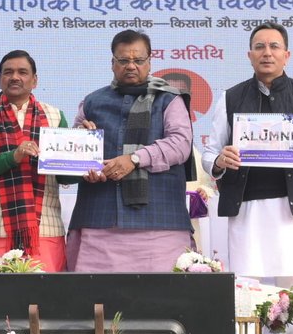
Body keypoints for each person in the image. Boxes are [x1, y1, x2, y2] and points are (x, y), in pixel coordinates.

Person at [203, 23, 293, 280]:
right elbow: (209, 155)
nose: (267, 53)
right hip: (247, 209)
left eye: (274, 46)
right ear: (249, 55)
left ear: (287, 55)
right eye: (259, 47)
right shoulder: (230, 97)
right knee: (247, 287)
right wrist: (220, 161)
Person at [66, 30, 196, 272]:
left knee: (164, 293)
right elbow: (72, 151)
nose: (131, 66)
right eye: (123, 60)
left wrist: (135, 159)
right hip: (99, 220)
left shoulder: (169, 99)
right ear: (112, 63)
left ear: (150, 61)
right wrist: (83, 157)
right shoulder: (92, 102)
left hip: (159, 222)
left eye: (138, 60)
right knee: (95, 293)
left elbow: (180, 144)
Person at [0, 50, 70, 271]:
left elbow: (66, 177)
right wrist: (13, 157)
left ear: (35, 80)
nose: (15, 77)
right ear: (0, 79)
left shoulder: (55, 116)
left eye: (22, 72)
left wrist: (86, 166)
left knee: (45, 293)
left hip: (44, 231)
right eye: (8, 72)